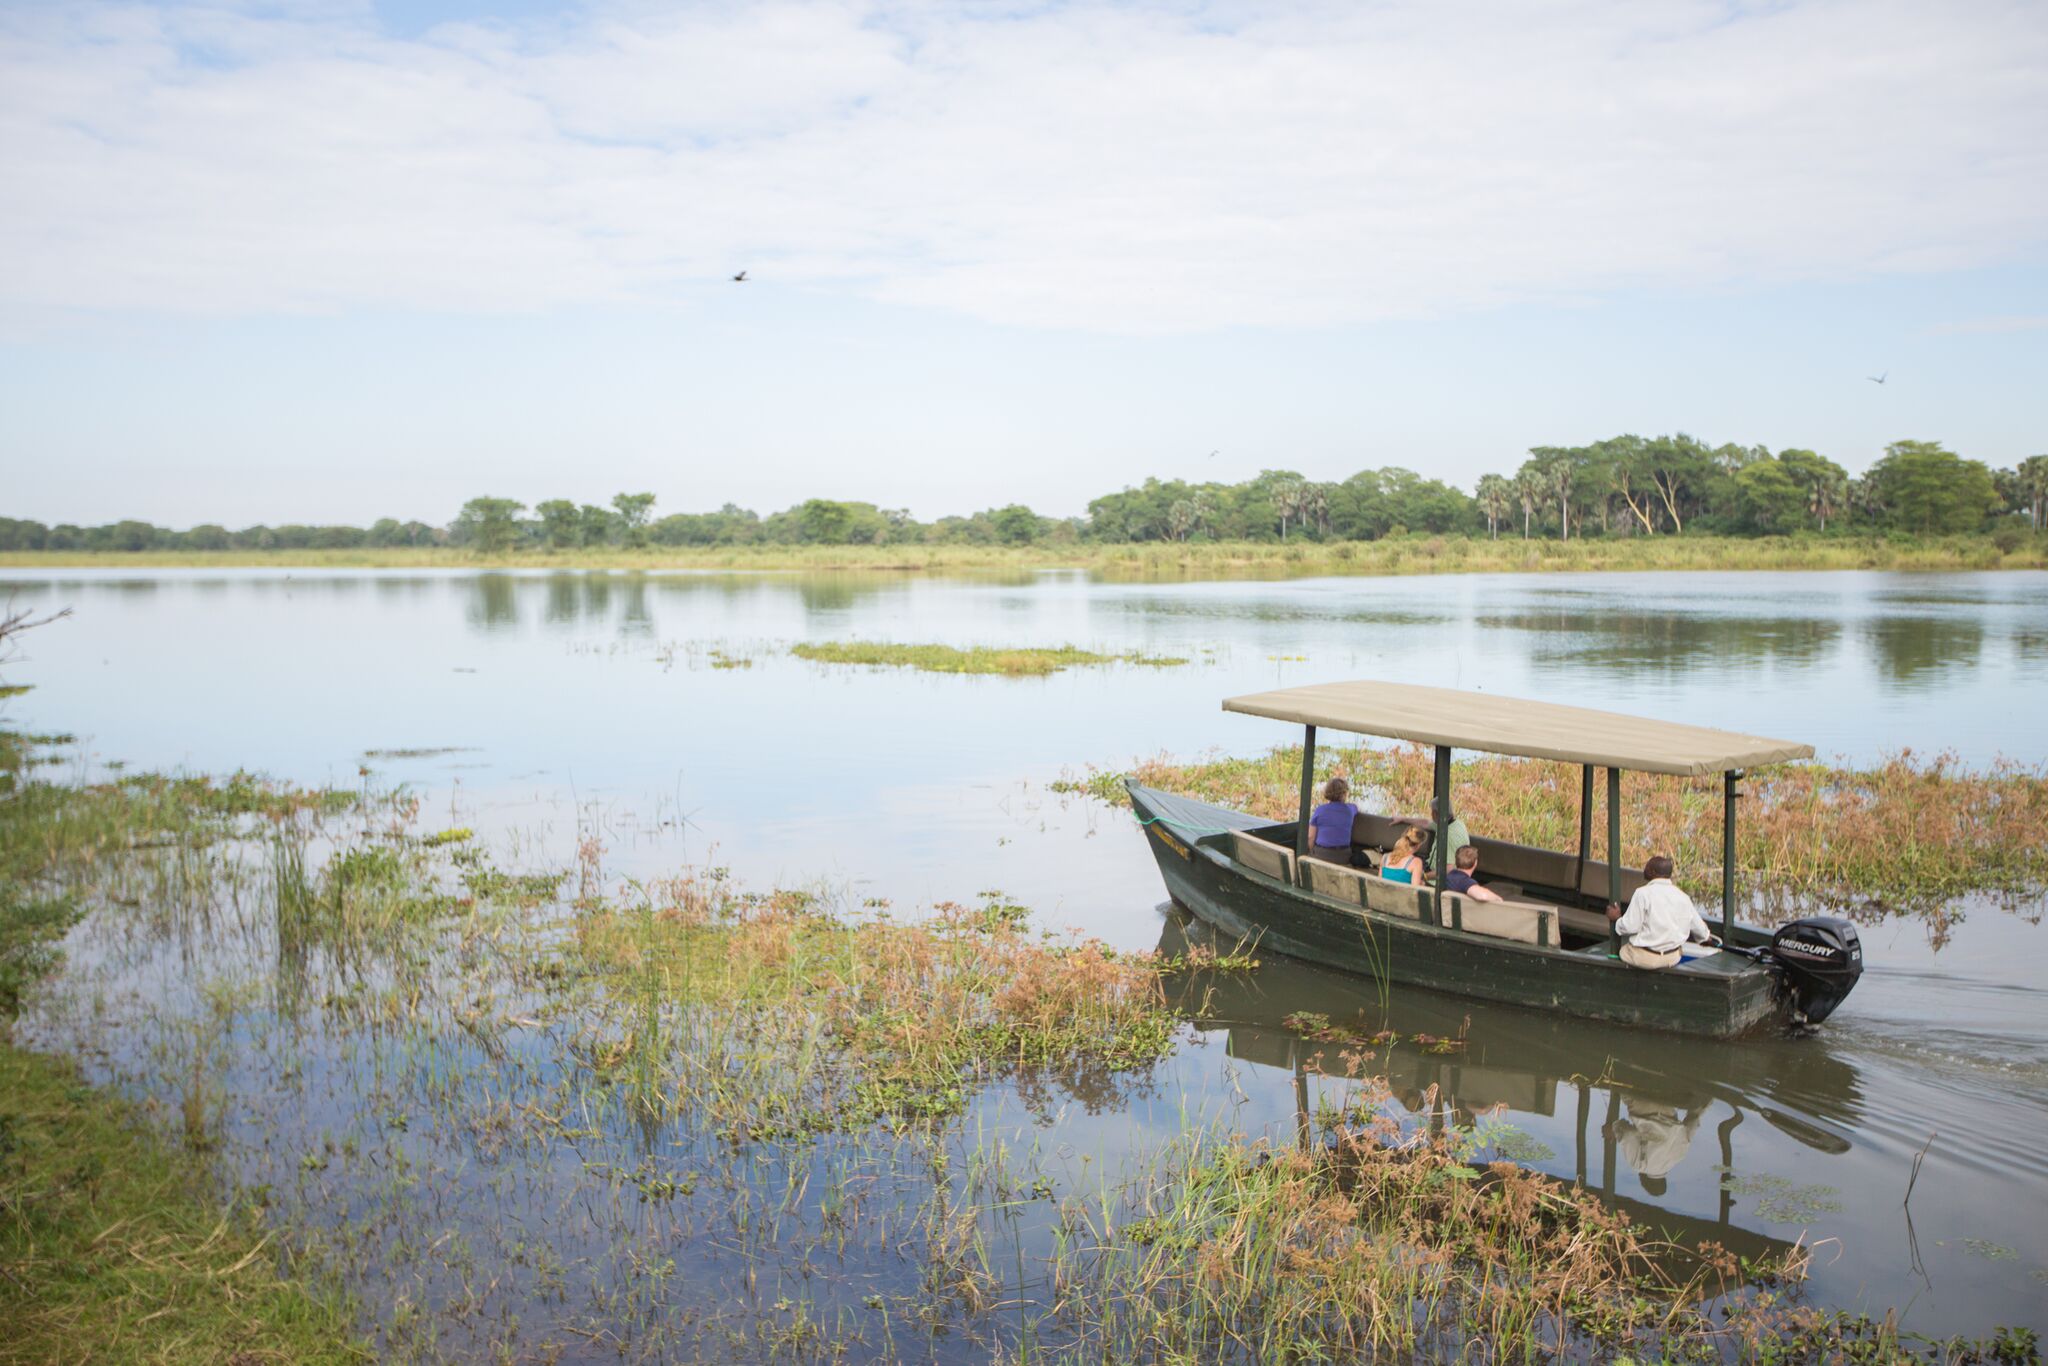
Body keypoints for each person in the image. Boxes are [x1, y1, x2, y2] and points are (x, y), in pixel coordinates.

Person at [1606, 854, 1712, 969]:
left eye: (1646, 867)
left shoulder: (1642, 893)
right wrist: (1705, 938)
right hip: (1671, 958)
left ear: (1652, 872)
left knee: (1622, 950)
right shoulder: (1683, 897)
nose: (1644, 870)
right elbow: (1700, 929)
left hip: (1645, 959)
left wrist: (1616, 918)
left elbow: (1629, 927)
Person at [1305, 777, 1360, 864]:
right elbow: (1355, 807)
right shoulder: (1350, 809)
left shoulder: (1320, 810)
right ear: (1344, 794)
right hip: (1343, 857)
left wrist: (1312, 851)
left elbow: (1311, 837)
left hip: (1321, 855)